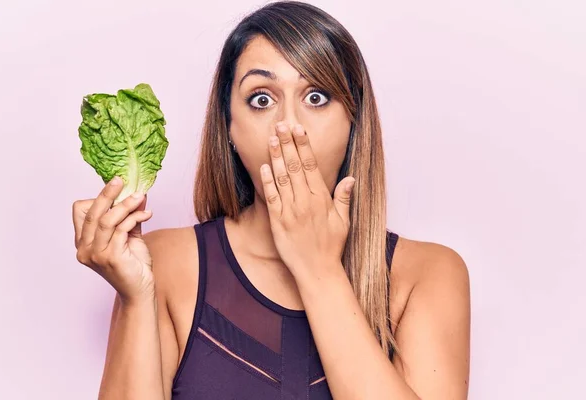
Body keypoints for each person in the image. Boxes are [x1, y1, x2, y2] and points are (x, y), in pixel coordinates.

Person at [72, 2, 470, 399]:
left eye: (316, 97)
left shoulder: (429, 275)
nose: (289, 126)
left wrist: (318, 267)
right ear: (229, 126)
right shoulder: (166, 265)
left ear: (354, 122)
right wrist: (137, 297)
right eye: (262, 99)